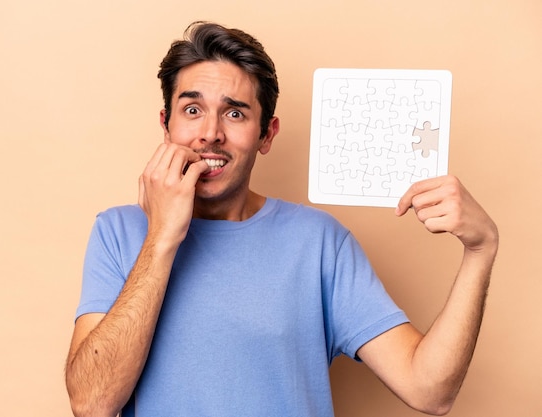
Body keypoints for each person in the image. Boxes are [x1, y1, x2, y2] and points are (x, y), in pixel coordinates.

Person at [65, 21, 499, 417]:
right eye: (192, 110)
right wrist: (161, 236)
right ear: (167, 124)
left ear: (266, 135)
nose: (211, 132)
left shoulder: (320, 243)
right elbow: (91, 403)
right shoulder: (117, 232)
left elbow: (430, 391)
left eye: (235, 113)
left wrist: (481, 251)